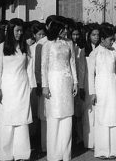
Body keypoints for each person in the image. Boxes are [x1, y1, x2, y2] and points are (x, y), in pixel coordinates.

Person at [0, 18, 36, 161]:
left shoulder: (25, 47)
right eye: (16, 30)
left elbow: (29, 68)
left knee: (21, 120)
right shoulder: (1, 48)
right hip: (7, 87)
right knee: (7, 120)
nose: (19, 33)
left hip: (22, 86)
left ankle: (22, 154)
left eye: (21, 31)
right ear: (10, 31)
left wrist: (31, 86)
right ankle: (5, 155)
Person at [42, 20, 78, 161]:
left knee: (67, 116)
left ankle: (65, 154)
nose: (66, 32)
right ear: (56, 29)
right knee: (54, 116)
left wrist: (75, 82)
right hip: (53, 82)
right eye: (63, 29)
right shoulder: (47, 44)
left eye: (66, 29)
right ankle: (54, 155)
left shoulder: (69, 43)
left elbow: (72, 63)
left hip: (67, 81)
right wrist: (45, 85)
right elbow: (43, 66)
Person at [90, 26, 116, 159]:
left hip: (113, 87)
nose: (112, 42)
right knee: (102, 117)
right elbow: (91, 74)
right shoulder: (95, 53)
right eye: (110, 40)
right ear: (102, 39)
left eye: (113, 40)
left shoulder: (114, 52)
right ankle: (102, 150)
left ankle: (113, 150)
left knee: (113, 116)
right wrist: (93, 92)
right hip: (101, 87)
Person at [83, 24, 101, 149]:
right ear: (88, 36)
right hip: (87, 82)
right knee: (88, 112)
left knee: (99, 110)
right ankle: (89, 141)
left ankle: (99, 140)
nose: (96, 37)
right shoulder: (84, 49)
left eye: (98, 35)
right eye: (93, 35)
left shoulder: (101, 49)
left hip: (99, 81)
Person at [33, 24, 49, 152]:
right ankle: (45, 145)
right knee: (44, 115)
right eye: (40, 34)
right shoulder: (41, 44)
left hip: (54, 82)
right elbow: (37, 67)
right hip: (43, 84)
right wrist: (39, 83)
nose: (42, 36)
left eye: (44, 34)